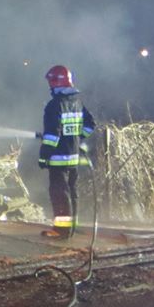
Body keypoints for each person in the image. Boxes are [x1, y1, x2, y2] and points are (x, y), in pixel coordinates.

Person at [38, 65, 96, 240]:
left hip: (58, 159)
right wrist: (75, 139)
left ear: (56, 82)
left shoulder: (54, 105)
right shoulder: (77, 101)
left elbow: (52, 136)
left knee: (59, 193)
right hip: (74, 158)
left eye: (51, 82)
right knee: (71, 191)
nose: (50, 86)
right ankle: (72, 226)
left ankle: (62, 230)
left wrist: (43, 156)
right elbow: (89, 125)